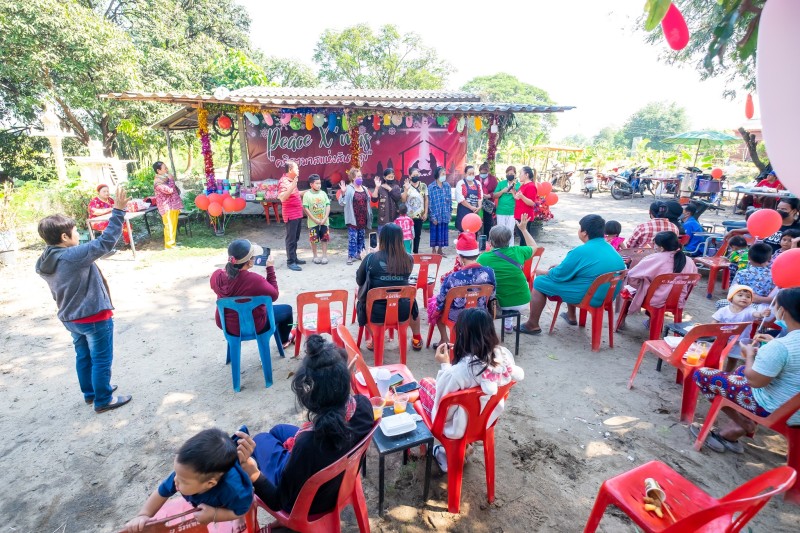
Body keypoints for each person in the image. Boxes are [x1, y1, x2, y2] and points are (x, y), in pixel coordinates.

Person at [235, 335, 374, 514]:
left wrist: (250, 469)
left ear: (308, 395)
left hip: (310, 505)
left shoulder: (307, 444)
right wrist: (342, 386)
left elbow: (278, 501)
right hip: (339, 482)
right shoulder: (364, 406)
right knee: (278, 431)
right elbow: (347, 408)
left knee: (261, 439)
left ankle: (271, 463)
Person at [35, 187, 132, 413]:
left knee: (84, 356)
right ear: (64, 237)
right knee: (100, 359)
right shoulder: (72, 256)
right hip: (94, 317)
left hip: (70, 318)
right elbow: (106, 242)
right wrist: (118, 211)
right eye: (75, 231)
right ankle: (103, 400)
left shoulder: (44, 259)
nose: (78, 235)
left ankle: (91, 393)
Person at [691, 288, 800, 453]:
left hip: (777, 410)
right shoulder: (785, 343)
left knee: (701, 374)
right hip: (793, 405)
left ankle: (744, 423)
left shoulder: (781, 346)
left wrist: (749, 354)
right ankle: (731, 432)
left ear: (782, 311)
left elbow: (755, 382)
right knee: (741, 370)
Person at [418, 308, 524, 472]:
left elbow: (442, 412)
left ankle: (445, 454)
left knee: (425, 383)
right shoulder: (504, 357)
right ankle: (465, 446)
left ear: (461, 335)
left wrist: (445, 364)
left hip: (457, 427)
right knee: (466, 402)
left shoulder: (458, 373)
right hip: (485, 421)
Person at [123, 429, 253, 531]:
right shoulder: (184, 474)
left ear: (209, 484)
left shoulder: (233, 489)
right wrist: (143, 515)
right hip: (209, 486)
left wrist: (215, 514)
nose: (175, 480)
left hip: (232, 501)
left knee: (235, 508)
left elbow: (242, 509)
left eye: (183, 480)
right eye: (177, 474)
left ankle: (238, 519)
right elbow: (161, 493)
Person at [519, 214, 626, 334]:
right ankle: (571, 316)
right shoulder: (611, 248)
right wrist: (560, 268)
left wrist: (541, 272)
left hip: (589, 296)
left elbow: (558, 275)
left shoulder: (580, 251)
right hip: (607, 296)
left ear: (584, 233)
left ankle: (532, 325)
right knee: (574, 276)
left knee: (540, 282)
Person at [210, 239, 295, 348]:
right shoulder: (254, 280)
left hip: (227, 325)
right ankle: (284, 340)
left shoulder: (216, 276)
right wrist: (270, 269)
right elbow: (274, 295)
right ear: (249, 262)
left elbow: (227, 279)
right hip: (254, 325)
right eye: (253, 257)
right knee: (287, 310)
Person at [356, 223, 423, 350]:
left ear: (382, 238)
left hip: (376, 312)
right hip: (402, 310)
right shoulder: (409, 259)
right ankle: (416, 338)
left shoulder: (371, 258)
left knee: (360, 303)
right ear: (400, 239)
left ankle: (376, 339)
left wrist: (365, 259)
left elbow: (360, 280)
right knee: (413, 303)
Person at [617, 231, 699, 329]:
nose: (654, 246)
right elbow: (694, 281)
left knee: (629, 286)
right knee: (649, 286)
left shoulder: (654, 258)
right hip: (678, 300)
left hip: (656, 300)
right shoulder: (689, 261)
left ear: (661, 247)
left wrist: (642, 285)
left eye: (654, 243)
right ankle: (652, 321)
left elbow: (632, 276)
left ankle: (622, 320)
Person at [428, 232, 496, 345]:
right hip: (480, 313)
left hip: (457, 317)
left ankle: (445, 340)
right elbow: (492, 295)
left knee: (435, 306)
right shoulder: (489, 272)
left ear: (460, 257)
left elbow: (441, 301)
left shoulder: (452, 278)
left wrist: (436, 310)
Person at [477, 214, 539, 332]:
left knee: (488, 287)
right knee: (509, 286)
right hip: (522, 300)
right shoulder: (518, 251)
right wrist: (524, 229)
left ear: (490, 241)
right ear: (509, 239)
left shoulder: (483, 257)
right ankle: (508, 325)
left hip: (499, 304)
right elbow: (534, 246)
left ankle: (486, 328)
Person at [712, 285, 770, 371]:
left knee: (733, 359)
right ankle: (714, 369)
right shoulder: (724, 310)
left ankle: (727, 372)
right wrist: (714, 331)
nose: (744, 298)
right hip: (723, 338)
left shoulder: (749, 310)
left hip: (738, 341)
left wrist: (761, 314)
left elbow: (755, 314)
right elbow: (714, 321)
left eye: (748, 296)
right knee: (717, 355)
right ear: (731, 297)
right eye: (740, 295)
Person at [725, 198, 800, 252]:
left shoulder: (797, 228)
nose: (779, 211)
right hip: (760, 256)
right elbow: (758, 229)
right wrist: (733, 230)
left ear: (794, 211)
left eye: (783, 209)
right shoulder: (772, 222)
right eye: (778, 208)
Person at [338, 167, 372, 265]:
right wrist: (343, 193)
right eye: (358, 176)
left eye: (361, 176)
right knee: (353, 237)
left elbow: (368, 202)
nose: (360, 178)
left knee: (361, 236)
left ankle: (360, 254)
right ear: (353, 178)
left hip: (363, 217)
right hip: (353, 217)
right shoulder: (348, 189)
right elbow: (341, 203)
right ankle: (351, 255)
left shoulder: (364, 188)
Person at [278, 160, 306, 272]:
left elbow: (294, 194)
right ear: (290, 170)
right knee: (291, 239)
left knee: (296, 237)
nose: (298, 170)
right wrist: (292, 186)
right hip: (291, 215)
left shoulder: (291, 180)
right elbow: (282, 197)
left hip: (297, 214)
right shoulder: (284, 181)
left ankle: (294, 258)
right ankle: (290, 261)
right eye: (296, 168)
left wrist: (308, 191)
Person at [153, 161, 183, 250]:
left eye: (166, 168)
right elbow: (169, 190)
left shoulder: (165, 179)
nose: (167, 170)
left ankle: (172, 242)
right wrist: (171, 180)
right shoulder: (158, 182)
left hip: (173, 205)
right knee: (169, 226)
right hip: (166, 207)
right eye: (165, 168)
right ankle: (169, 246)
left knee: (173, 225)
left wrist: (170, 180)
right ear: (158, 171)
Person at [302, 174, 331, 265]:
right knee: (313, 239)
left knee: (324, 238)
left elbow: (328, 205)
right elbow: (305, 208)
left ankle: (324, 256)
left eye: (320, 183)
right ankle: (315, 256)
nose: (319, 185)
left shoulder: (323, 193)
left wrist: (325, 217)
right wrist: (314, 219)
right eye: (317, 183)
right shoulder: (307, 195)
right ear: (311, 184)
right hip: (312, 222)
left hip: (324, 221)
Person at [428, 166, 452, 256]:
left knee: (443, 232)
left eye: (445, 174)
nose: (444, 176)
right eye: (443, 174)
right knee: (434, 232)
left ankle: (440, 250)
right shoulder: (431, 187)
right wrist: (432, 216)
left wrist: (449, 213)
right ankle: (433, 250)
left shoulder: (447, 186)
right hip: (435, 213)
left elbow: (449, 200)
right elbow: (429, 202)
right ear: (437, 175)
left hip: (444, 213)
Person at [404, 167, 428, 253]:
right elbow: (403, 200)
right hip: (408, 216)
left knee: (417, 235)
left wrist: (425, 212)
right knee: (408, 235)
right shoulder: (406, 186)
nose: (416, 177)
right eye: (414, 175)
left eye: (417, 175)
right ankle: (408, 252)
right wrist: (406, 189)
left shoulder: (423, 186)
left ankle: (416, 251)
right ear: (409, 176)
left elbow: (426, 199)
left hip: (419, 215)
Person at [372, 168, 403, 233]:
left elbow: (397, 198)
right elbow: (374, 199)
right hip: (383, 219)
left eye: (392, 177)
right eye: (389, 177)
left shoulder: (396, 187)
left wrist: (389, 189)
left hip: (395, 219)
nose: (391, 178)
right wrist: (377, 187)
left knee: (394, 241)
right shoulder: (380, 187)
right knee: (383, 241)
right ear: (384, 177)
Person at [513, 166, 539, 246]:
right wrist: (513, 191)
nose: (519, 175)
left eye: (521, 173)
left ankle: (525, 255)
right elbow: (517, 197)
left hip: (525, 215)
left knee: (524, 237)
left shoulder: (531, 186)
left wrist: (522, 197)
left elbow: (531, 202)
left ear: (526, 175)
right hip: (519, 214)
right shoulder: (523, 185)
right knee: (521, 236)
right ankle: (523, 254)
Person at [455, 165, 483, 233]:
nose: (471, 175)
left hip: (475, 212)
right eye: (469, 174)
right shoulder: (461, 183)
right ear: (465, 174)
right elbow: (461, 199)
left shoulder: (478, 183)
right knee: (464, 231)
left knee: (474, 230)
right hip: (464, 211)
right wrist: (471, 207)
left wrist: (479, 207)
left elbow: (480, 196)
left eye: (473, 174)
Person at [493, 166, 520, 234]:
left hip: (512, 211)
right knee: (500, 232)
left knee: (510, 232)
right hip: (501, 211)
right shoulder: (501, 183)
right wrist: (502, 191)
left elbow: (519, 198)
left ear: (515, 175)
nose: (509, 175)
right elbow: (494, 196)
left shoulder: (518, 185)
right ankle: (501, 245)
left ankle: (510, 245)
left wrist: (513, 191)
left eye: (511, 174)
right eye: (508, 174)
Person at [478, 162, 496, 238]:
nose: (483, 174)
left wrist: (489, 195)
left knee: (487, 221)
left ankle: (486, 237)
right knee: (477, 219)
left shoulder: (493, 179)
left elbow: (496, 190)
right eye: (481, 173)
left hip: (488, 203)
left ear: (488, 172)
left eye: (484, 173)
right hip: (477, 202)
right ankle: (475, 237)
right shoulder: (476, 178)